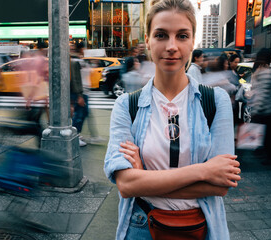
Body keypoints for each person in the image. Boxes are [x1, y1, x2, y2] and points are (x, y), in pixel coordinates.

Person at [104, 0, 241, 239]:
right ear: (147, 40)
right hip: (141, 226)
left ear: (192, 42)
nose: (171, 46)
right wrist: (204, 170)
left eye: (182, 36)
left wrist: (145, 178)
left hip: (201, 226)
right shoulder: (127, 105)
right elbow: (126, 185)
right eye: (161, 35)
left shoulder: (215, 101)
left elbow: (220, 185)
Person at [248, 48, 271, 165]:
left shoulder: (257, 70)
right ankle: (269, 158)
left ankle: (265, 154)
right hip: (268, 109)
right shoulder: (266, 72)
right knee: (269, 137)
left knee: (267, 136)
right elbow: (263, 92)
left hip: (262, 109)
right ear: (269, 57)